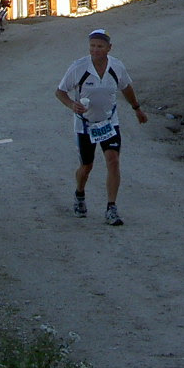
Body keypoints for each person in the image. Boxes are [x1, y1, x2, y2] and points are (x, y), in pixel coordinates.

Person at [55, 28, 149, 226]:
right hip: (85, 125)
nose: (95, 50)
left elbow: (126, 87)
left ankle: (111, 208)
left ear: (109, 48)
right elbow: (60, 92)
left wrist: (137, 109)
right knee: (87, 166)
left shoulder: (116, 66)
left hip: (109, 122)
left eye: (99, 46)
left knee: (113, 160)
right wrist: (72, 104)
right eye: (92, 46)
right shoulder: (78, 67)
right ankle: (79, 194)